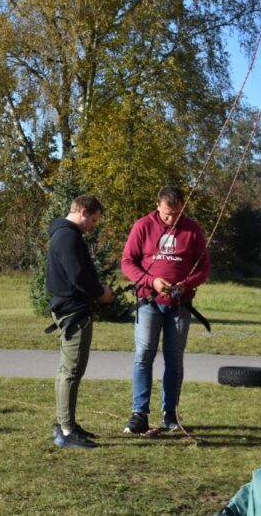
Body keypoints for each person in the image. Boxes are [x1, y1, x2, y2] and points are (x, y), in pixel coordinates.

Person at [121, 185, 210, 435]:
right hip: (149, 303)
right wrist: (151, 281)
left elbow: (203, 267)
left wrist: (186, 284)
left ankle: (170, 414)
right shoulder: (143, 226)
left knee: (174, 358)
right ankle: (139, 413)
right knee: (144, 354)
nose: (172, 219)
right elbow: (127, 261)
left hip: (179, 305)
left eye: (177, 214)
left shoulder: (192, 229)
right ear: (158, 206)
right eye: (168, 214)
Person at [46, 194, 114, 449]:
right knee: (71, 371)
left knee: (68, 370)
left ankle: (66, 423)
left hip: (71, 308)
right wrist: (100, 293)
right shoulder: (68, 236)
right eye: (93, 220)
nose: (93, 227)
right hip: (73, 311)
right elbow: (77, 275)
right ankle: (66, 430)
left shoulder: (63, 234)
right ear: (83, 211)